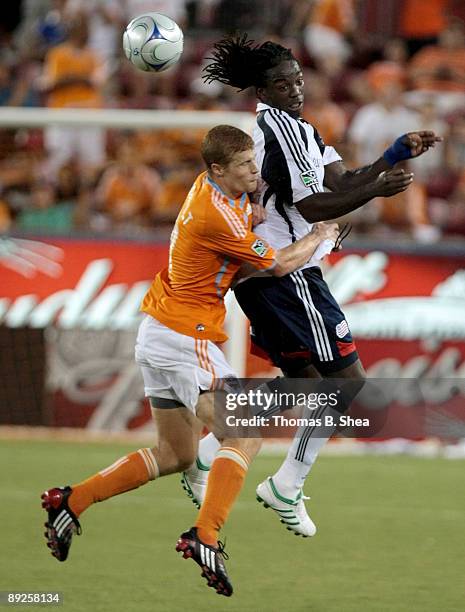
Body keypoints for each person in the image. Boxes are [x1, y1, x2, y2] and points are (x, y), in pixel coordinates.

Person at [41, 124, 341, 596]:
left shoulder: (210, 187)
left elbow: (245, 206)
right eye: (244, 165)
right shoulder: (214, 215)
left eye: (252, 160)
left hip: (159, 333)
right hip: (187, 337)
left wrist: (254, 202)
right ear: (218, 169)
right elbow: (279, 264)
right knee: (243, 433)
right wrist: (322, 231)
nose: (254, 170)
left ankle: (71, 500)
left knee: (176, 454)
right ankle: (205, 535)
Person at [182, 34, 442, 538]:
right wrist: (374, 191)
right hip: (285, 274)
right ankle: (286, 483)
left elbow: (338, 185)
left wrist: (392, 154)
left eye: (298, 78)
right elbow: (314, 207)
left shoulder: (301, 128)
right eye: (283, 84)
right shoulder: (274, 132)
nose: (296, 88)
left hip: (286, 274)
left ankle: (211, 452)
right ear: (261, 90)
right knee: (347, 383)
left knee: (305, 384)